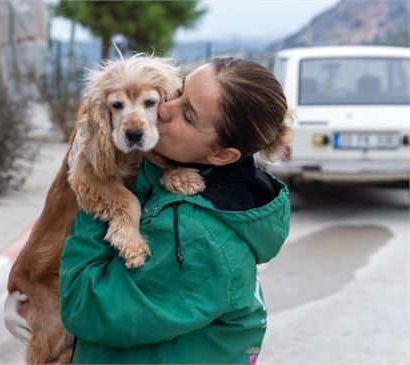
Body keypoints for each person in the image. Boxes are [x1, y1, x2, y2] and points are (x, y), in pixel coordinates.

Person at [59, 57, 293, 364]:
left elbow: (83, 308)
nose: (165, 109)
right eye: (179, 92)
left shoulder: (198, 237)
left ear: (222, 154)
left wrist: (98, 185)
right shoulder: (198, 173)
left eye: (188, 115)